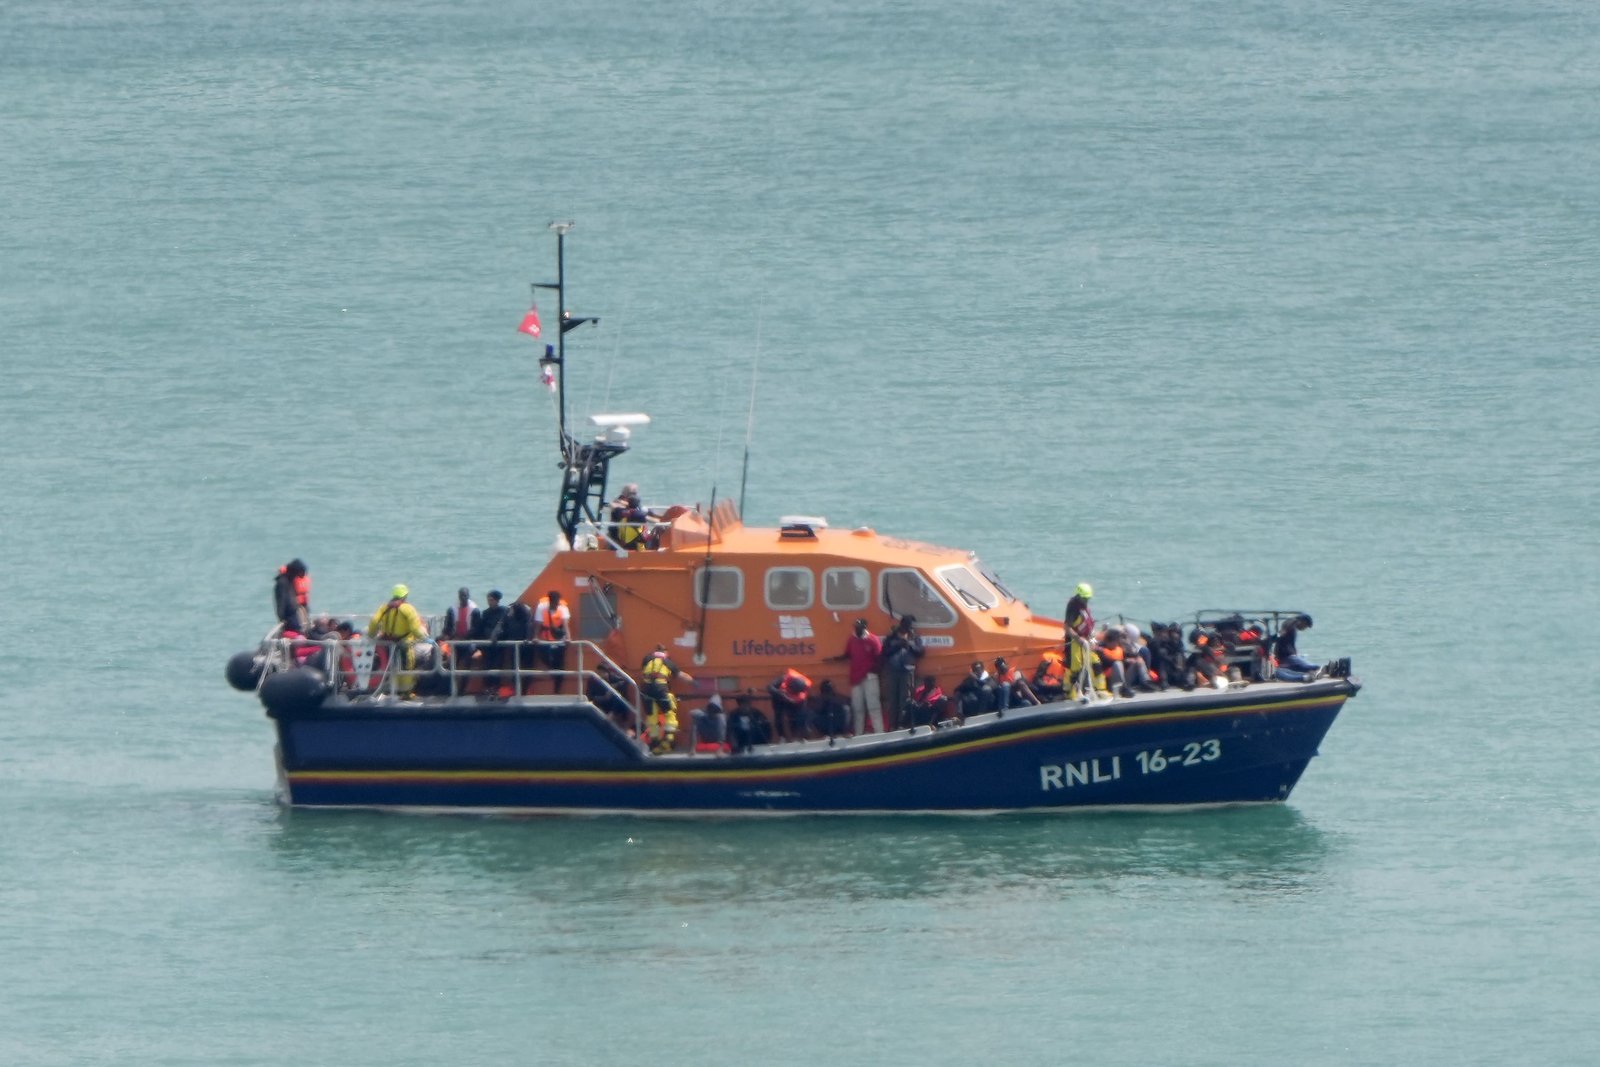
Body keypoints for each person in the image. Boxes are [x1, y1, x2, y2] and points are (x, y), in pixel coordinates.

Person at [366, 584, 429, 698]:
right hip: (404, 643)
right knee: (407, 665)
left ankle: (393, 689)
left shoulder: (384, 607)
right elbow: (415, 629)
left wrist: (371, 635)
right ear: (405, 596)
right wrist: (424, 638)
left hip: (387, 643)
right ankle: (406, 692)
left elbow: (374, 621)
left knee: (392, 666)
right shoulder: (408, 609)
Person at [831, 618, 884, 735]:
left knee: (873, 705)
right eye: (855, 626)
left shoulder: (873, 640)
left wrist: (874, 670)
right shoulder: (852, 639)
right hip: (855, 677)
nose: (856, 629)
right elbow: (847, 655)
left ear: (864, 627)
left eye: (859, 627)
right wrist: (835, 659)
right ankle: (858, 733)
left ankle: (879, 732)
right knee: (857, 707)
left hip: (870, 676)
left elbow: (880, 658)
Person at [639, 644, 692, 753]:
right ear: (665, 653)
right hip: (660, 688)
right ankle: (668, 741)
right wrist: (694, 682)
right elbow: (680, 675)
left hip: (646, 689)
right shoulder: (667, 662)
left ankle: (654, 743)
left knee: (652, 716)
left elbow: (643, 672)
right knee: (669, 712)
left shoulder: (647, 659)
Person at [881, 616, 925, 728]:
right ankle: (892, 725)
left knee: (905, 699)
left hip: (907, 671)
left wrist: (909, 644)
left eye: (910, 626)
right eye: (907, 625)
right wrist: (898, 645)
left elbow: (920, 652)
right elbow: (884, 652)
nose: (908, 628)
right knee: (893, 699)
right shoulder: (891, 637)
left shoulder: (914, 637)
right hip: (892, 671)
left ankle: (902, 723)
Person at [470, 590, 511, 695]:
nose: (489, 602)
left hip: (499, 645)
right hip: (487, 646)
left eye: (491, 600)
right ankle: (487, 687)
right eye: (488, 600)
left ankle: (495, 687)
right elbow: (480, 629)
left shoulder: (504, 611)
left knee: (497, 666)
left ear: (497, 600)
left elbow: (507, 627)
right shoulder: (486, 613)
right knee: (487, 666)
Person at [532, 590, 572, 692]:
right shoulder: (542, 607)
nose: (556, 604)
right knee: (544, 657)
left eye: (557, 602)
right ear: (550, 601)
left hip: (559, 640)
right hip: (545, 639)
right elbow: (538, 623)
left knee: (560, 664)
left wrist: (568, 637)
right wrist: (535, 636)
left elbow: (566, 625)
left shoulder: (563, 608)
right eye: (554, 602)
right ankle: (553, 671)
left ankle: (557, 689)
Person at [1063, 582, 1095, 698]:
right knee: (1075, 668)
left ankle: (1087, 690)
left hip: (1085, 641)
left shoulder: (1084, 606)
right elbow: (1067, 627)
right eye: (1085, 599)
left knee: (1088, 665)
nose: (1086, 601)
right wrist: (1078, 638)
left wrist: (1091, 636)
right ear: (1079, 596)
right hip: (1074, 643)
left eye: (1088, 599)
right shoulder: (1073, 607)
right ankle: (1072, 693)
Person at [1272, 614, 1323, 682]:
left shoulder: (1292, 625)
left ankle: (1307, 675)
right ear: (1302, 621)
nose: (1304, 629)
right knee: (1311, 667)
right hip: (1288, 656)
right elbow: (1282, 632)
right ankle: (1316, 671)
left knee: (1285, 671)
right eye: (1305, 626)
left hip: (1287, 657)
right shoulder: (1291, 624)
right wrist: (1274, 638)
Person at [768, 667, 812, 742]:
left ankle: (798, 736)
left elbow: (802, 699)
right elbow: (769, 687)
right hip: (779, 699)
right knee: (778, 715)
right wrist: (778, 693)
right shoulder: (782, 679)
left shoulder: (805, 685)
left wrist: (792, 699)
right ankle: (782, 737)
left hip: (793, 701)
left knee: (799, 714)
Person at [273, 559, 310, 634]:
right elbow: (281, 603)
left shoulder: (290, 581)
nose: (297, 577)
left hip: (294, 614)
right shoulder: (282, 583)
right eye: (298, 574)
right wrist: (281, 619)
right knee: (298, 632)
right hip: (289, 618)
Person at [608, 483, 648, 551]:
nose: (634, 495)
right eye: (632, 493)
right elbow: (614, 506)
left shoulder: (636, 509)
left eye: (635, 493)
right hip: (621, 539)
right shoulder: (619, 507)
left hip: (633, 539)